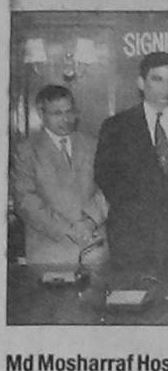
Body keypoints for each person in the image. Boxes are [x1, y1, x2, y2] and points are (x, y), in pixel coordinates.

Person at [95, 52, 168, 268]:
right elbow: (106, 178)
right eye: (157, 79)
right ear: (141, 83)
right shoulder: (116, 126)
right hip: (132, 240)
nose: (166, 88)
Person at [12, 85, 108, 265]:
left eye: (69, 111)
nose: (66, 119)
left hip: (94, 247)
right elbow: (25, 200)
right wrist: (68, 229)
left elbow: (109, 188)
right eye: (57, 113)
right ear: (41, 114)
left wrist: (90, 221)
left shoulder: (94, 145)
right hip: (49, 251)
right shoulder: (26, 151)